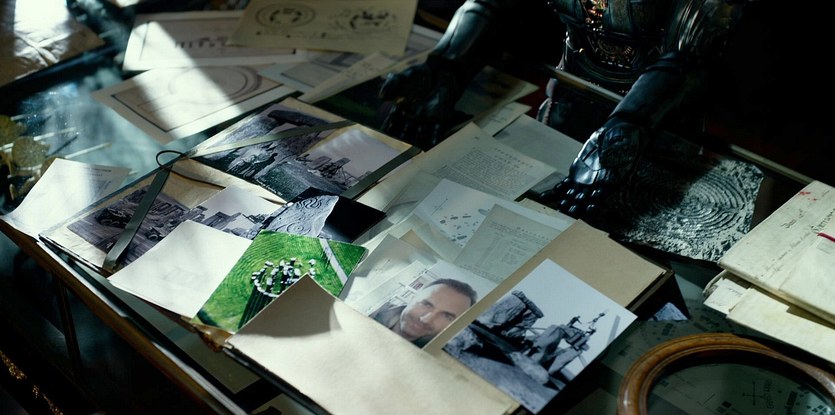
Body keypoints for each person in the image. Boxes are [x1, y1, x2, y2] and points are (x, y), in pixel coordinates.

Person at [378, 0, 751, 218]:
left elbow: (690, 57)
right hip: (569, 92)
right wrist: (447, 63)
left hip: (657, 116)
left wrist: (628, 123)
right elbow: (494, 4)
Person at [370, 278, 478, 347]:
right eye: (426, 304)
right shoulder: (371, 309)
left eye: (446, 316)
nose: (426, 320)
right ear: (412, 298)